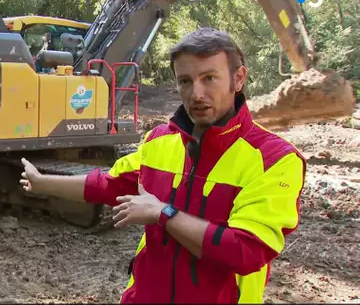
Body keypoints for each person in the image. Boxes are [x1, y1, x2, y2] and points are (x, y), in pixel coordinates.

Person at [19, 27, 306, 304]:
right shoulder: (160, 141)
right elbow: (107, 184)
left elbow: (245, 251)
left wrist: (163, 213)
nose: (196, 94)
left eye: (209, 78)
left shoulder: (274, 159)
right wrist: (41, 182)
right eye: (185, 81)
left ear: (238, 78)